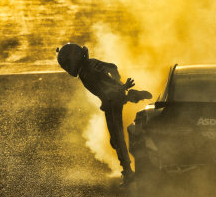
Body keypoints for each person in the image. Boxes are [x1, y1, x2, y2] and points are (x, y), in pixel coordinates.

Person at [56, 43, 152, 184]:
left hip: (111, 102)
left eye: (67, 64)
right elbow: (112, 67)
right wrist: (119, 84)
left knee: (117, 139)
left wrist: (119, 88)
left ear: (74, 59)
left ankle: (128, 172)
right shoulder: (90, 64)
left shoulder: (86, 71)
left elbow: (106, 82)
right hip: (110, 101)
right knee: (115, 139)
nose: (67, 68)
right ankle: (130, 96)